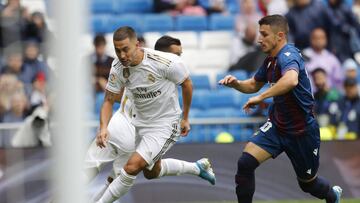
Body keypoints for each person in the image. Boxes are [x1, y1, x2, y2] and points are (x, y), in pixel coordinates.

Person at [218, 15, 342, 203]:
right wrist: (236, 84)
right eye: (260, 34)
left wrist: (261, 97)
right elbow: (253, 84)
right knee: (245, 163)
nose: (260, 39)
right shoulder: (270, 61)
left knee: (308, 184)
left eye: (265, 34)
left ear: (280, 36)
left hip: (302, 132)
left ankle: (332, 195)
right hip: (278, 127)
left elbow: (291, 80)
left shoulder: (289, 55)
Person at [84, 33, 215, 202]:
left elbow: (187, 83)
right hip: (128, 124)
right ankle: (197, 168)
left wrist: (185, 117)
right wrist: (103, 126)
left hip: (157, 128)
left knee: (126, 171)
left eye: (179, 55)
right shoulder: (132, 65)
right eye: (176, 54)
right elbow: (112, 98)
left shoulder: (168, 70)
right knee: (151, 172)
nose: (178, 58)